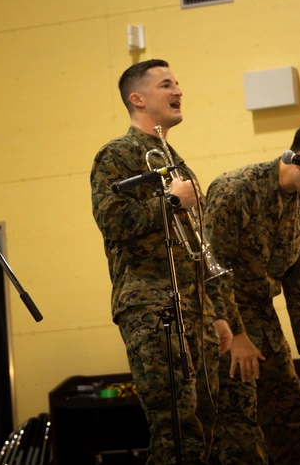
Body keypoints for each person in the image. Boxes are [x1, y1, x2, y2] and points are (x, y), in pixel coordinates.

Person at [90, 59, 224, 465]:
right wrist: (169, 201)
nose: (179, 90)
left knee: (203, 426)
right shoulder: (117, 154)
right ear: (138, 99)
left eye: (178, 82)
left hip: (194, 306)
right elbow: (112, 220)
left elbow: (195, 245)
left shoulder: (175, 160)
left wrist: (216, 313)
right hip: (151, 306)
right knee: (176, 432)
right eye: (167, 84)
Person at [204, 120, 300, 465]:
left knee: (294, 417)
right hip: (219, 322)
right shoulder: (235, 190)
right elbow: (211, 268)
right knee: (240, 431)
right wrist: (236, 335)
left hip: (263, 320)